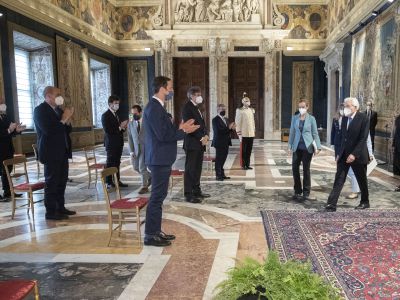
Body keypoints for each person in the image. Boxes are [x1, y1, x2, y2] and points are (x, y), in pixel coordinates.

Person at [143, 76, 199, 247]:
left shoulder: (158, 107)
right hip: (158, 159)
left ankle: (155, 231)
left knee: (160, 196)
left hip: (162, 158)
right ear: (162, 88)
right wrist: (184, 131)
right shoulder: (153, 108)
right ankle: (150, 235)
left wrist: (181, 128)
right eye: (170, 88)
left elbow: (165, 131)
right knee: (157, 197)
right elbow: (163, 135)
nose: (172, 91)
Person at [33, 86, 76, 220]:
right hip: (50, 152)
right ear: (48, 96)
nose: (60, 97)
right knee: (51, 182)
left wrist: (67, 120)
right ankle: (51, 212)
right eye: (57, 94)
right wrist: (64, 119)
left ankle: (60, 208)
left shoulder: (57, 110)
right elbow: (49, 130)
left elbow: (66, 130)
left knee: (61, 181)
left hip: (62, 151)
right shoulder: (40, 110)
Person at [322, 97, 370, 212]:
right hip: (344, 154)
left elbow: (363, 139)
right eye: (344, 106)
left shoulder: (364, 118)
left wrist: (354, 154)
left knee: (361, 180)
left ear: (355, 107)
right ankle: (331, 203)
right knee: (339, 179)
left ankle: (365, 201)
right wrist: (339, 153)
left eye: (348, 106)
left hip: (358, 155)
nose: (345, 108)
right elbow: (343, 138)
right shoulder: (344, 119)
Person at [288, 99, 321, 201]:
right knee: (294, 168)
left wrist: (318, 147)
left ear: (307, 107)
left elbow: (315, 133)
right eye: (300, 107)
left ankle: (306, 192)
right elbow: (292, 132)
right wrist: (289, 146)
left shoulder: (311, 119)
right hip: (297, 147)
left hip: (308, 147)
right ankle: (297, 190)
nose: (301, 109)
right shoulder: (295, 118)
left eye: (303, 107)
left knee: (306, 169)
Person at [182, 86, 210, 203]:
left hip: (199, 143)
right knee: (190, 169)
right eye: (198, 95)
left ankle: (196, 191)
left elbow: (202, 124)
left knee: (197, 169)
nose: (200, 97)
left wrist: (206, 135)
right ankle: (188, 194)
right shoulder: (187, 108)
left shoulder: (197, 107)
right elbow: (190, 126)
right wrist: (201, 137)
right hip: (192, 143)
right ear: (191, 96)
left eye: (200, 94)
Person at [101, 95, 128, 189]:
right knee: (110, 162)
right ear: (110, 104)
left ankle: (117, 179)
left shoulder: (116, 114)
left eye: (118, 103)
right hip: (111, 143)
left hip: (118, 143)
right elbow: (109, 130)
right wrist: (120, 127)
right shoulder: (105, 115)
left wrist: (123, 127)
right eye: (115, 103)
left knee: (117, 162)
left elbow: (119, 129)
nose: (117, 105)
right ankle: (109, 182)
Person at [0, 102, 25, 201]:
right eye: (1, 102)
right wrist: (9, 130)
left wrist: (17, 130)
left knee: (7, 171)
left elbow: (9, 132)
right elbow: (6, 131)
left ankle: (8, 192)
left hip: (8, 148)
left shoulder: (4, 116)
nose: (3, 104)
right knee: (1, 171)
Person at [127, 105, 150, 194]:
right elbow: (129, 138)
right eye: (132, 113)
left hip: (145, 148)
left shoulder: (146, 122)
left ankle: (144, 186)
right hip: (135, 149)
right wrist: (131, 151)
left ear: (140, 112)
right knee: (135, 167)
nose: (133, 115)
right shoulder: (131, 123)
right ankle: (150, 177)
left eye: (135, 113)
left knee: (142, 167)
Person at [212, 104, 235, 181]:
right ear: (218, 110)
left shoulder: (226, 119)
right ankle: (218, 175)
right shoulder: (215, 120)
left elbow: (227, 131)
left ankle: (222, 174)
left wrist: (232, 128)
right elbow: (218, 131)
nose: (223, 111)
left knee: (223, 159)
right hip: (219, 142)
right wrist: (229, 127)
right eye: (222, 109)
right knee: (219, 159)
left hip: (226, 141)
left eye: (224, 109)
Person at [346, 133, 373, 199]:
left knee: (353, 172)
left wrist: (370, 153)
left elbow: (368, 140)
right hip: (350, 150)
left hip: (360, 153)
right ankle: (359, 188)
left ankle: (355, 192)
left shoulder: (364, 123)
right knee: (353, 173)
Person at [235, 93, 255, 170]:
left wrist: (253, 130)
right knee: (243, 151)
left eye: (248, 101)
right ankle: (243, 165)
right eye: (246, 101)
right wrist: (239, 134)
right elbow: (237, 123)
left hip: (251, 133)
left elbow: (252, 122)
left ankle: (247, 164)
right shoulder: (239, 110)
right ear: (243, 102)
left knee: (249, 150)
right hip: (243, 134)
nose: (248, 102)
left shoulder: (251, 110)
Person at [393, 114, 400, 192]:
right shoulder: (398, 118)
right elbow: (396, 132)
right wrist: (394, 144)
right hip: (398, 145)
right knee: (398, 165)